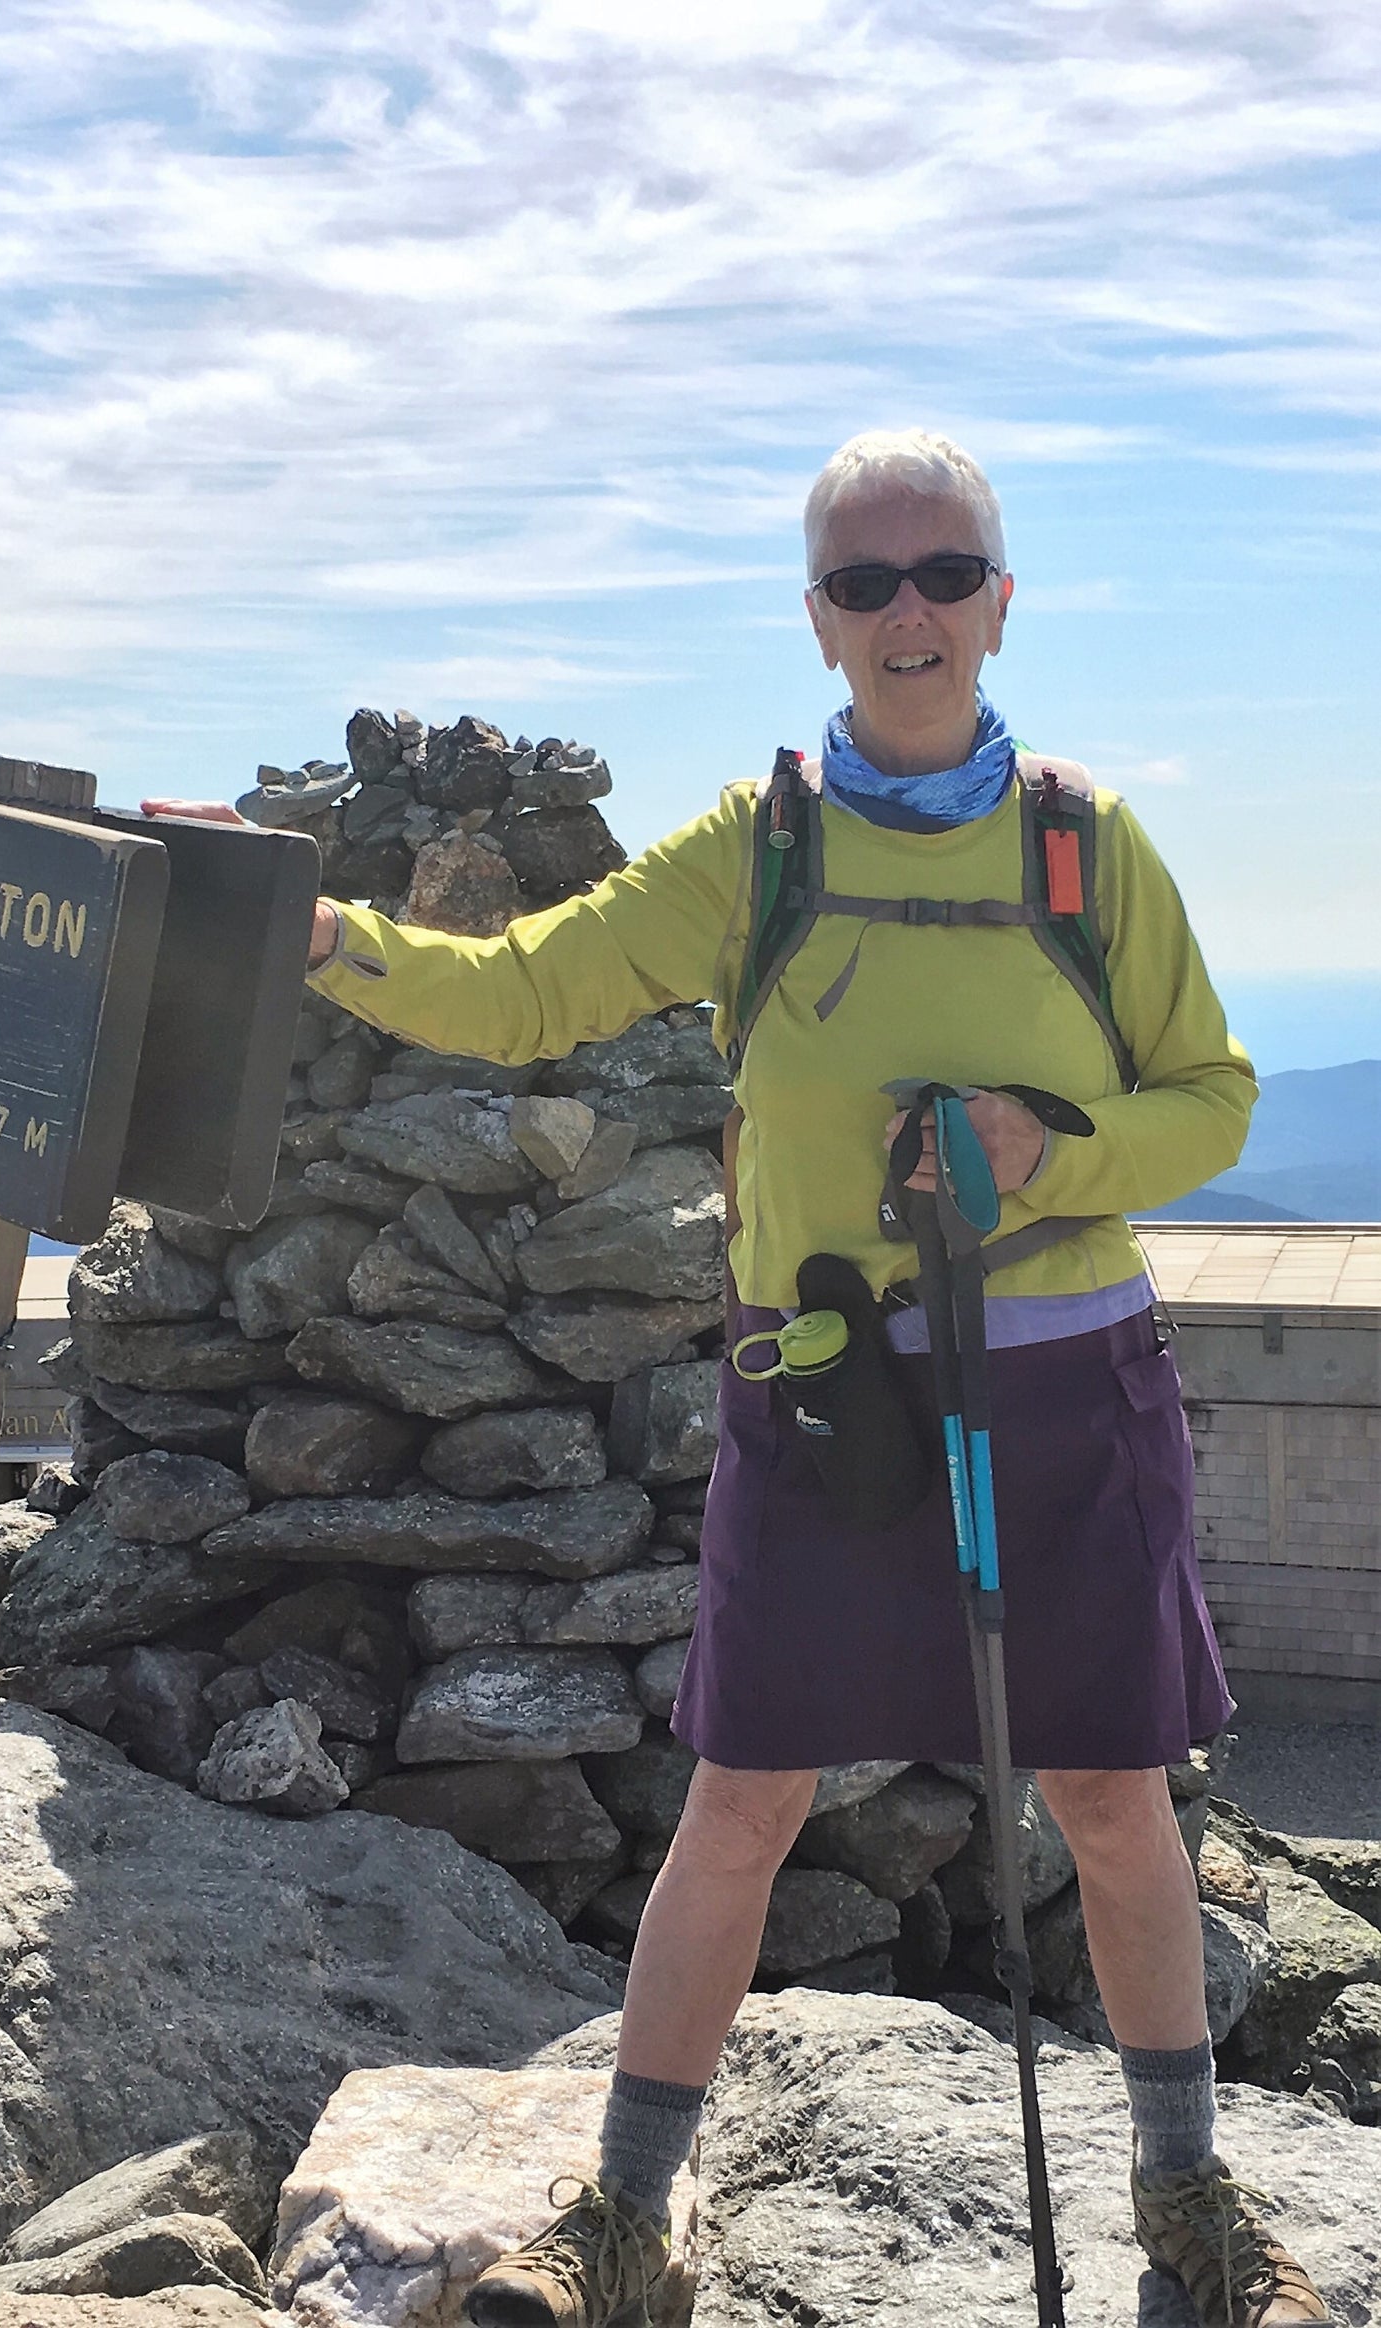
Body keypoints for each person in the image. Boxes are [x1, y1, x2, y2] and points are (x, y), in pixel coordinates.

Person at [144, 428, 1326, 2328]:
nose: (907, 611)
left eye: (940, 573)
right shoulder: (758, 846)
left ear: (1000, 599)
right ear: (817, 626)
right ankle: (619, 2212)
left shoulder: (1087, 845)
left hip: (1059, 1372)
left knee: (1111, 1796)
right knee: (744, 1796)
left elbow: (1213, 1098)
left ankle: (1185, 2206)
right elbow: (526, 987)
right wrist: (325, 935)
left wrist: (1043, 1153)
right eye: (865, 584)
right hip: (829, 1389)